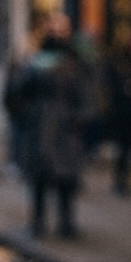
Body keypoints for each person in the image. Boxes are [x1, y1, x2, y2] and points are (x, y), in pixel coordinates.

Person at [17, 13, 85, 238]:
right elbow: (19, 91)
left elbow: (86, 96)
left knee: (65, 179)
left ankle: (65, 223)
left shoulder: (73, 62)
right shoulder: (37, 61)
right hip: (42, 127)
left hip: (63, 128)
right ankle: (39, 222)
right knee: (41, 179)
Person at [109, 30, 131, 194]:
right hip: (125, 113)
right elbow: (114, 86)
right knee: (124, 150)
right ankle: (120, 182)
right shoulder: (121, 63)